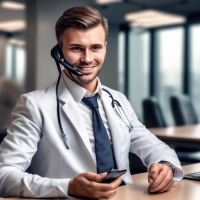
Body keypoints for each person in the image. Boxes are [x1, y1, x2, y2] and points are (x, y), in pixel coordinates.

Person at [0, 6, 183, 199]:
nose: (87, 59)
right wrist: (68, 187)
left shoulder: (118, 100)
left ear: (105, 47)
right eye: (76, 48)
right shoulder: (34, 105)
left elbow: (154, 147)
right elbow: (4, 175)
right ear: (59, 51)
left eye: (95, 47)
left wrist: (165, 166)